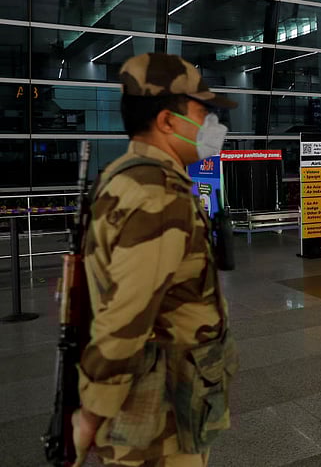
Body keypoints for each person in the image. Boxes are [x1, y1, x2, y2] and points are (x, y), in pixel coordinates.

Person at [72, 53, 238, 467]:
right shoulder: (157, 195)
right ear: (167, 121)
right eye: (204, 113)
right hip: (158, 419)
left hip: (159, 404)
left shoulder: (124, 175)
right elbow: (126, 313)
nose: (213, 126)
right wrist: (91, 413)